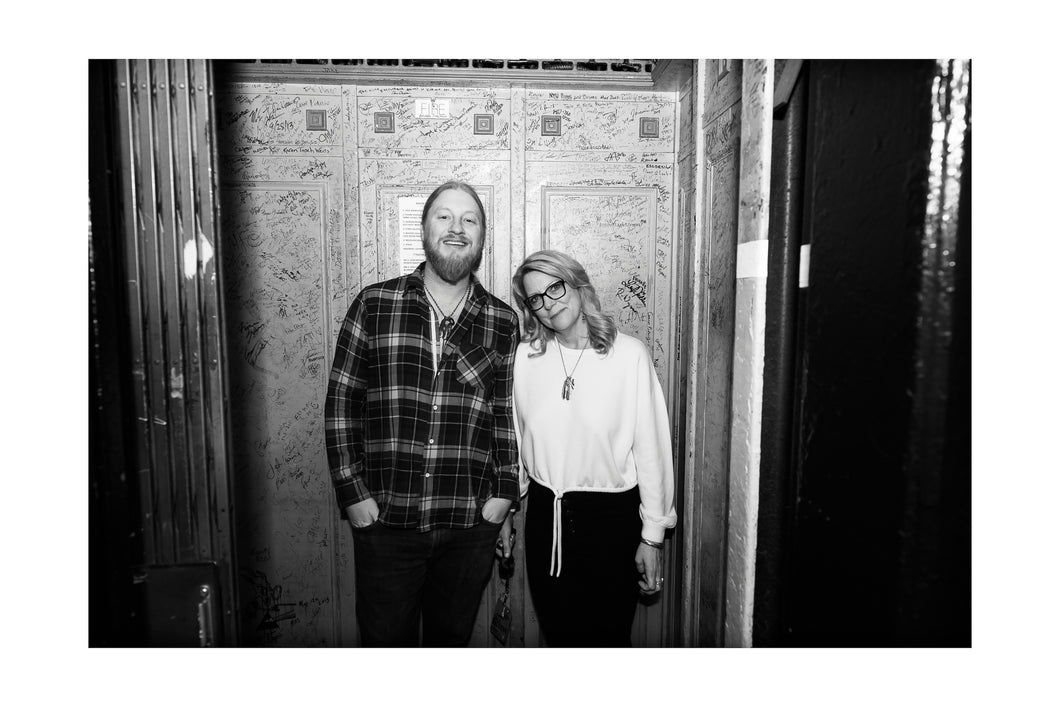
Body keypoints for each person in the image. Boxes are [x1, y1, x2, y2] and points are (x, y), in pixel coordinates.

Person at [325, 181, 520, 647]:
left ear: (481, 237)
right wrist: (353, 496)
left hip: (469, 523)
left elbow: (505, 415)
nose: (457, 228)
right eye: (444, 217)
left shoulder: (502, 320)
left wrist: (504, 497)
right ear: (424, 229)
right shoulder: (375, 304)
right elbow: (342, 406)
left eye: (470, 220)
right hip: (386, 521)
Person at [510, 249, 677, 647]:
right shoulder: (526, 358)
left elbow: (651, 450)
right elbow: (516, 439)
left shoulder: (628, 355)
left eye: (555, 288)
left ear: (578, 284)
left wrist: (652, 536)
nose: (549, 303)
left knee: (609, 640)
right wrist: (508, 509)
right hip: (546, 519)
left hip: (611, 522)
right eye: (536, 298)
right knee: (559, 639)